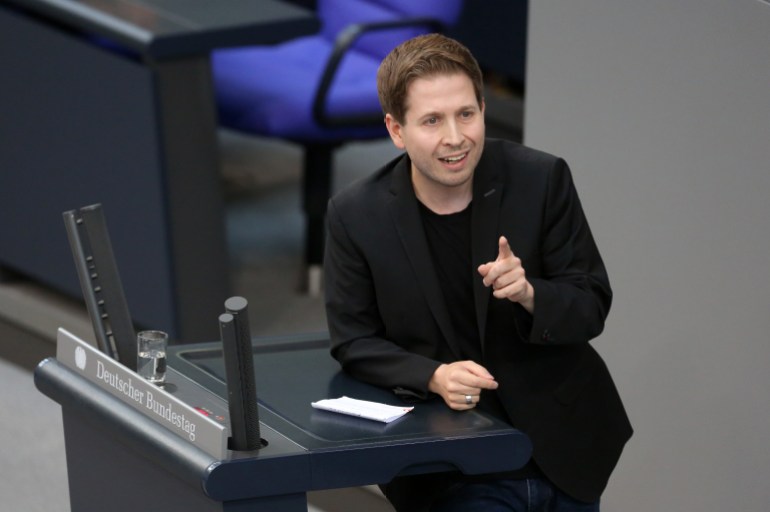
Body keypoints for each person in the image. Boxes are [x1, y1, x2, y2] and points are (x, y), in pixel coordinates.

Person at [323, 33, 632, 512]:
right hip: (455, 467)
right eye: (432, 120)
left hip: (564, 449)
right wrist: (433, 375)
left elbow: (591, 304)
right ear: (396, 129)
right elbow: (355, 340)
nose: (455, 137)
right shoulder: (356, 215)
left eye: (466, 114)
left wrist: (532, 295)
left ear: (484, 108)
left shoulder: (541, 179)